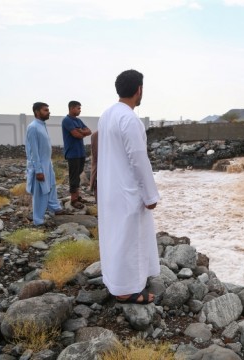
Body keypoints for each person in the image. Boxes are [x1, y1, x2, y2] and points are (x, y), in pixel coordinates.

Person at [97, 69, 160, 304]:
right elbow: (138, 159)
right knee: (129, 237)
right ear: (139, 90)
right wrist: (150, 194)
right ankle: (125, 290)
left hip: (110, 187)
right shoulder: (130, 119)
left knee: (115, 235)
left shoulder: (107, 114)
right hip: (126, 189)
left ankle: (115, 280)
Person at [25, 102, 64, 226]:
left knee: (51, 186)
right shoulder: (33, 127)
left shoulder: (42, 125)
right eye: (45, 110)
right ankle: (38, 220)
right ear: (37, 112)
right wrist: (38, 170)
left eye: (48, 109)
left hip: (47, 164)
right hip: (40, 166)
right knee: (40, 192)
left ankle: (55, 208)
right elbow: (33, 151)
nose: (49, 112)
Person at [61, 101, 92, 209]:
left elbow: (89, 131)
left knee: (78, 175)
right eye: (78, 108)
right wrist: (81, 132)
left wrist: (81, 131)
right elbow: (76, 135)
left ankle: (77, 196)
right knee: (73, 176)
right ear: (72, 108)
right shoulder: (67, 121)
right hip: (72, 153)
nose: (80, 110)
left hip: (80, 153)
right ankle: (73, 200)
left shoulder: (78, 120)